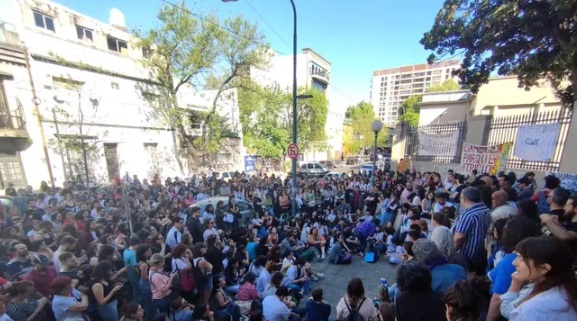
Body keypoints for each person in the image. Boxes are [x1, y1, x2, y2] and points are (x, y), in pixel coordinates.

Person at [506, 237, 577, 321]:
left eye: (521, 259)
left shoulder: (533, 310)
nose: (514, 262)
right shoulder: (567, 286)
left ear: (544, 268)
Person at [452, 187, 491, 275]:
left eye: (460, 198)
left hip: (467, 257)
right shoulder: (487, 210)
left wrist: (452, 253)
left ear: (464, 199)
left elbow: (459, 238)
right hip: (482, 255)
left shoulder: (468, 214)